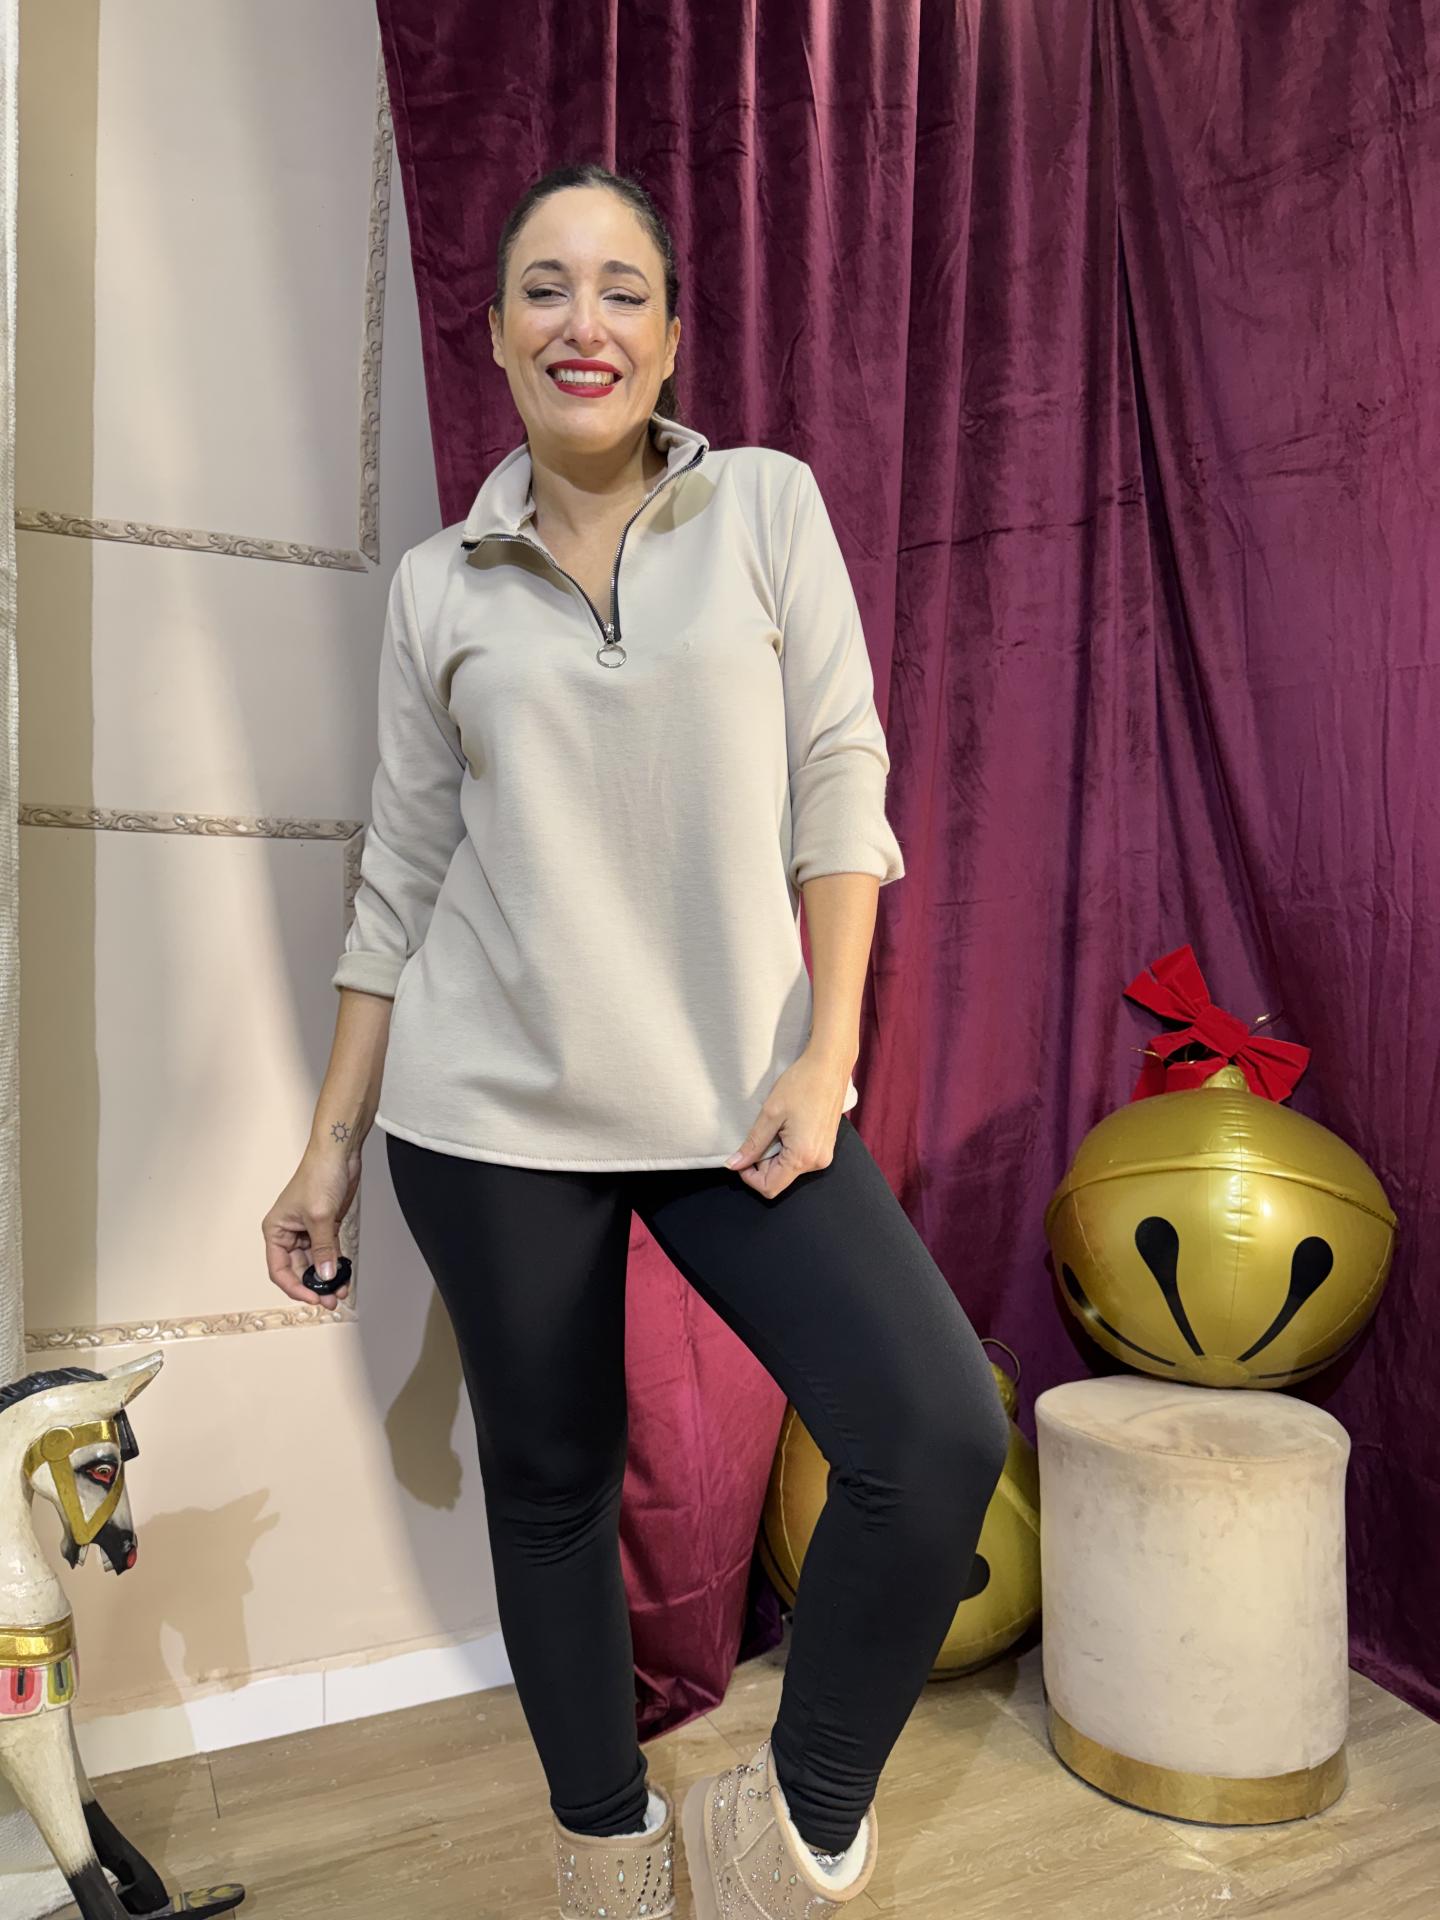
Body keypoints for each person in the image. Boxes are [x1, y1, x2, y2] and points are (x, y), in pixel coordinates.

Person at [262, 161, 1009, 1919]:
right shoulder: (439, 587)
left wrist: (826, 1054)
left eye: (621, 290)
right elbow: (400, 874)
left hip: (738, 1095)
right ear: (497, 332)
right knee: (552, 1491)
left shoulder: (765, 506)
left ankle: (784, 1833)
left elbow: (842, 774)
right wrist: (327, 1149)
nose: (580, 321)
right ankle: (606, 1853)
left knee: (933, 1432)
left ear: (672, 338)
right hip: (490, 1117)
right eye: (544, 287)